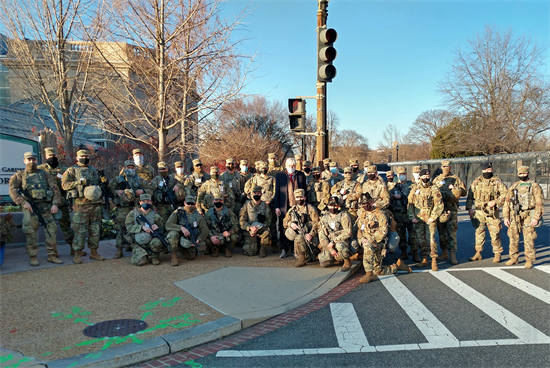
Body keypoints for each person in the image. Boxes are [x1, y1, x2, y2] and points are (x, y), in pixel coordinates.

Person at [9, 151, 62, 266]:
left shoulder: (45, 174)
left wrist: (55, 204)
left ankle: (52, 255)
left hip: (46, 207)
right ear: (24, 161)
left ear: (37, 160)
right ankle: (33, 257)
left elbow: (55, 189)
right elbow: (12, 190)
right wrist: (23, 202)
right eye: (29, 160)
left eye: (33, 159)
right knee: (30, 233)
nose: (31, 162)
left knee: (51, 231)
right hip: (30, 208)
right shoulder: (19, 176)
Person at [62, 149, 105, 263]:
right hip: (80, 205)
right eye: (82, 156)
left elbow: (101, 184)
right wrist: (78, 183)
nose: (84, 158)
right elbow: (64, 185)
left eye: (86, 156)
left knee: (95, 229)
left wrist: (104, 181)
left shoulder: (94, 170)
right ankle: (77, 253)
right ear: (77, 158)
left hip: (95, 205)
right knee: (79, 231)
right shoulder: (72, 170)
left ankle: (94, 252)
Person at [357, 193, 411, 284]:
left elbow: (383, 231)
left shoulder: (380, 214)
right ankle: (397, 266)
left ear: (371, 202)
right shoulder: (363, 215)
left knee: (367, 246)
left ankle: (368, 274)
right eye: (362, 204)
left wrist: (370, 240)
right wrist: (361, 239)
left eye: (366, 203)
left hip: (378, 243)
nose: (364, 206)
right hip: (367, 241)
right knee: (377, 271)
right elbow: (360, 230)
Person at [37, 147, 76, 256]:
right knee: (49, 227)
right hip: (47, 203)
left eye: (54, 156)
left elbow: (69, 184)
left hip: (62, 202)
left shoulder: (63, 169)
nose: (52, 158)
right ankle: (52, 252)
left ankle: (73, 247)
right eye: (50, 156)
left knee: (66, 225)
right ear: (46, 156)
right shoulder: (40, 169)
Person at [109, 160, 152, 259]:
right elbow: (109, 189)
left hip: (136, 207)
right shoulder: (118, 179)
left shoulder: (140, 180)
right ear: (124, 168)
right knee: (120, 227)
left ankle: (134, 247)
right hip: (123, 207)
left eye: (132, 168)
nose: (130, 169)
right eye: (128, 167)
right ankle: (119, 249)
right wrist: (117, 191)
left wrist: (143, 191)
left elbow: (150, 189)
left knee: (137, 226)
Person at [502, 166, 544, 268]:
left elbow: (539, 203)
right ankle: (513, 258)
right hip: (515, 215)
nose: (522, 176)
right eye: (520, 174)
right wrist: (505, 217)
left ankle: (529, 260)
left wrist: (536, 218)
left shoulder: (534, 186)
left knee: (529, 238)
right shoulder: (514, 186)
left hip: (529, 215)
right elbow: (507, 202)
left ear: (528, 173)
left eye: (524, 174)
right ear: (517, 174)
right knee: (513, 237)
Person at [466, 162, 508, 263]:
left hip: (491, 212)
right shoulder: (477, 181)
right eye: (485, 170)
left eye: (489, 170)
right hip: (479, 212)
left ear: (492, 170)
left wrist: (496, 202)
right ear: (482, 171)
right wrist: (469, 208)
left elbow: (506, 194)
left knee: (495, 233)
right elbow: (470, 195)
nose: (487, 172)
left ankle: (497, 254)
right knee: (479, 233)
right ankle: (478, 253)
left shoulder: (497, 181)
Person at [407, 169, 444, 271]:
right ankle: (424, 259)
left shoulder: (434, 188)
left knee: (431, 239)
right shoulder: (415, 189)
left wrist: (433, 217)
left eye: (428, 176)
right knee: (421, 240)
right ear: (420, 177)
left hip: (430, 220)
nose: (426, 178)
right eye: (424, 176)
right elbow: (410, 204)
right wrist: (412, 217)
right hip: (418, 220)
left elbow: (439, 204)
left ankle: (434, 260)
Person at [433, 160, 467, 265]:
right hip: (440, 209)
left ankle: (452, 254)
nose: (445, 168)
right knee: (441, 232)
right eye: (444, 166)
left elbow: (464, 192)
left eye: (447, 166)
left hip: (452, 209)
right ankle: (444, 252)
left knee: (452, 232)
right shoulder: (437, 179)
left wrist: (455, 188)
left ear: (450, 167)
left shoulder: (456, 179)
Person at [274, 157, 308, 258]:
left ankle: (294, 249)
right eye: (290, 166)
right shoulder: (280, 175)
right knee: (283, 227)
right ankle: (284, 249)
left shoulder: (301, 175)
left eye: (293, 166)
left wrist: (306, 204)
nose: (292, 168)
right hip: (284, 206)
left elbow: (305, 191)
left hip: (298, 206)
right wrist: (277, 207)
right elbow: (277, 193)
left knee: (297, 227)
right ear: (286, 166)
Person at [165, 195, 209, 265]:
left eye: (192, 204)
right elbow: (168, 225)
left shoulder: (198, 215)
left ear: (195, 204)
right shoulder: (178, 212)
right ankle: (174, 255)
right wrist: (181, 228)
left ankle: (183, 250)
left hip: (189, 238)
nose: (190, 205)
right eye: (188, 203)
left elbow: (204, 229)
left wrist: (199, 239)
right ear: (184, 203)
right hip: (179, 235)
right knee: (173, 234)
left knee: (192, 256)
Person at [244, 161, 277, 251]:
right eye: (263, 168)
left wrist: (270, 200)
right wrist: (255, 201)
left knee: (272, 224)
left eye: (266, 168)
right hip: (259, 205)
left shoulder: (272, 179)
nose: (264, 170)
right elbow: (252, 191)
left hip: (270, 204)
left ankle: (274, 243)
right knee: (258, 223)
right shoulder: (256, 178)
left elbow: (275, 191)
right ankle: (258, 244)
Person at [283, 189, 320, 267]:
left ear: (304, 197)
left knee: (310, 255)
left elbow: (317, 223)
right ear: (295, 198)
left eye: (301, 197)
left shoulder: (310, 208)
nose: (299, 199)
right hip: (299, 236)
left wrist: (311, 234)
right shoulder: (292, 210)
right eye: (297, 197)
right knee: (298, 237)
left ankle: (305, 257)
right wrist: (291, 224)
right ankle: (302, 257)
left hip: (310, 236)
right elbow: (284, 221)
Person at [125, 194, 165, 266]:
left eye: (148, 201)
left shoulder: (155, 215)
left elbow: (162, 227)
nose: (146, 203)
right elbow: (128, 226)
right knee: (137, 262)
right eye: (143, 201)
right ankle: (143, 253)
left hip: (151, 240)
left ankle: (154, 256)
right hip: (138, 242)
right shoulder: (133, 213)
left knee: (157, 242)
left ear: (151, 202)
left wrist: (157, 226)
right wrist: (141, 227)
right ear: (140, 202)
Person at [318, 196, 353, 271]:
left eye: (334, 205)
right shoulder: (324, 218)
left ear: (338, 206)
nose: (333, 207)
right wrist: (330, 249)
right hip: (330, 244)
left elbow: (348, 232)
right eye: (331, 205)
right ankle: (336, 258)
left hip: (342, 241)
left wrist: (333, 242)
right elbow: (322, 235)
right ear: (327, 206)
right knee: (323, 263)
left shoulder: (344, 215)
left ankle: (347, 261)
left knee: (339, 245)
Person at [390, 167, 417, 261]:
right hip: (398, 214)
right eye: (400, 174)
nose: (401, 176)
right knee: (401, 234)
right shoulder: (395, 187)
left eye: (403, 174)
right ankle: (404, 252)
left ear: (406, 174)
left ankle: (415, 253)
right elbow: (389, 198)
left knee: (413, 234)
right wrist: (393, 196)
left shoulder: (412, 186)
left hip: (409, 213)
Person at [240, 186, 272, 257]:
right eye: (255, 193)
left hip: (261, 228)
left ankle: (262, 248)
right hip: (250, 230)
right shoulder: (247, 205)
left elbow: (268, 220)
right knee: (250, 252)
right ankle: (254, 245)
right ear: (252, 194)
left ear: (261, 194)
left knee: (267, 232)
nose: (256, 195)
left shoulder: (265, 205)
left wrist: (261, 227)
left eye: (258, 193)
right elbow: (242, 220)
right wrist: (249, 228)